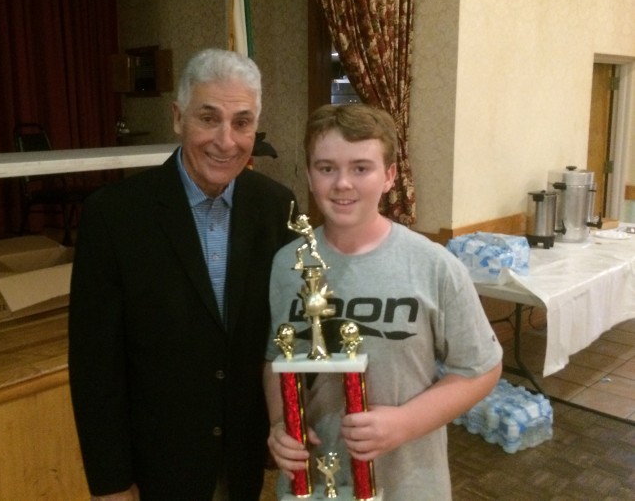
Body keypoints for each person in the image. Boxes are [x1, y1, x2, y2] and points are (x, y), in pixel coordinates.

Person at [69, 48, 297, 501]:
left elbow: (281, 334)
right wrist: (111, 481)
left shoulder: (277, 207)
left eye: (242, 122)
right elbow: (95, 366)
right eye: (208, 118)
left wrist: (282, 424)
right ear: (178, 118)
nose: (226, 141)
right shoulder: (113, 216)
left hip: (242, 458)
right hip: (157, 464)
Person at [263, 103, 502, 500]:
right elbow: (277, 356)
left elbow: (481, 369)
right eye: (326, 168)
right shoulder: (288, 264)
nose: (342, 183)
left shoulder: (434, 265)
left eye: (361, 168)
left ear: (389, 176)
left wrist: (405, 422)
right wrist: (278, 423)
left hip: (408, 484)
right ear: (309, 174)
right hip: (314, 485)